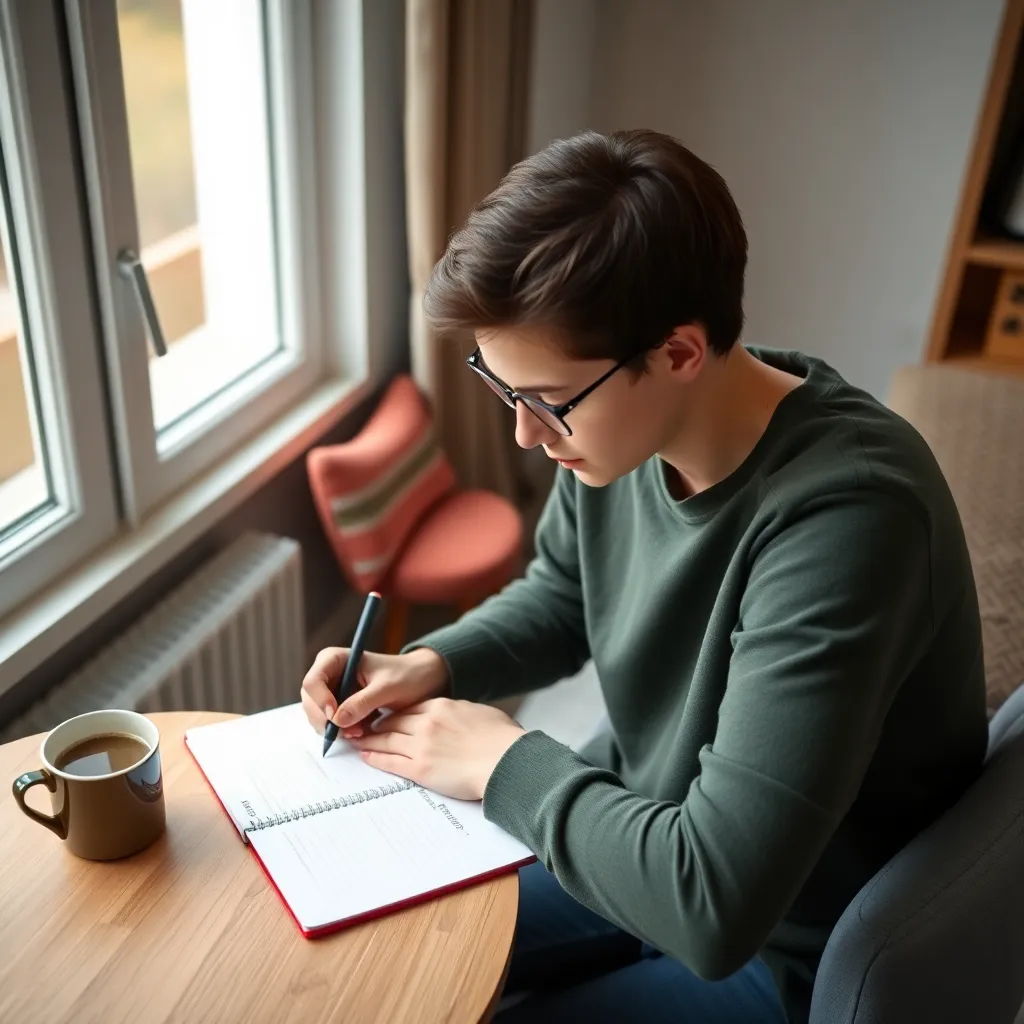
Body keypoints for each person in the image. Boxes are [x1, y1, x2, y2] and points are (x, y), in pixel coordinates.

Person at [300, 129, 987, 1023]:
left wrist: (503, 757)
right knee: (376, 954)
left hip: (772, 941)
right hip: (630, 825)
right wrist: (431, 665)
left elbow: (713, 901)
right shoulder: (623, 436)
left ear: (679, 353)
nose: (524, 436)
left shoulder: (850, 520)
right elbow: (564, 592)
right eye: (501, 389)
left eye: (545, 403)